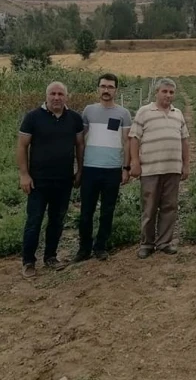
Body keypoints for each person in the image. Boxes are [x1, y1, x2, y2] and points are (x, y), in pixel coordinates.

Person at [17, 81, 85, 278]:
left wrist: (79, 170)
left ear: (66, 97)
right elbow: (22, 146)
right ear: (46, 96)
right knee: (34, 220)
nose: (57, 97)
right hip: (38, 181)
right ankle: (28, 261)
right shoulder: (33, 117)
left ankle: (50, 257)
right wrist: (24, 174)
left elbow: (80, 145)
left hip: (63, 180)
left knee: (57, 220)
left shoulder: (74, 118)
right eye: (53, 94)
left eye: (60, 94)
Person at [74, 73, 133, 262]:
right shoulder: (88, 111)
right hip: (90, 168)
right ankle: (84, 248)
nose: (106, 90)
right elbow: (80, 141)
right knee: (86, 212)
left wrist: (126, 168)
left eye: (110, 87)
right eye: (103, 86)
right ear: (98, 88)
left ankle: (101, 246)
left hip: (112, 169)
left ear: (116, 90)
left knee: (107, 211)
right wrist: (79, 167)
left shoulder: (123, 113)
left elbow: (127, 142)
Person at [129, 78, 190, 259]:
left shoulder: (178, 113)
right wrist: (135, 162)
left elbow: (184, 140)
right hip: (150, 169)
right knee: (149, 208)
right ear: (157, 92)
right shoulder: (144, 112)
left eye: (171, 92)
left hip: (172, 169)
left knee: (169, 207)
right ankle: (146, 244)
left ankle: (164, 242)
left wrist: (186, 164)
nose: (168, 95)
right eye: (164, 91)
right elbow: (134, 138)